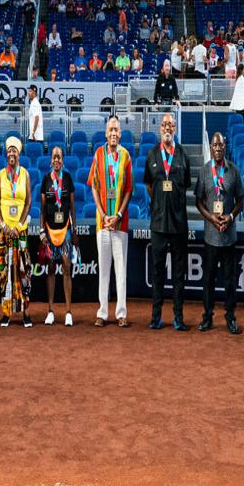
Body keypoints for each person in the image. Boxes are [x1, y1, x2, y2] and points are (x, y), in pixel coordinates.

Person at [144, 112, 191, 331]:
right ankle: (155, 317)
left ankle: (178, 318)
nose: (167, 128)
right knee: (158, 272)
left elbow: (187, 184)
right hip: (159, 225)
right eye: (164, 124)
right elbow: (149, 185)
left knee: (179, 274)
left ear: (176, 128)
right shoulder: (152, 155)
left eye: (171, 125)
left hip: (179, 224)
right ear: (159, 128)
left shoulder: (183, 155)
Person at [194, 131, 244, 334]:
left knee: (230, 281)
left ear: (225, 147)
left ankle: (230, 317)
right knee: (208, 280)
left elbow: (240, 200)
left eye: (220, 145)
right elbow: (198, 200)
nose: (217, 148)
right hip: (210, 236)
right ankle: (207, 317)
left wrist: (230, 217)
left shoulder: (234, 171)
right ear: (211, 148)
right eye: (214, 145)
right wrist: (211, 218)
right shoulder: (205, 171)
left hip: (229, 236)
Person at [89, 115, 134, 327]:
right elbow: (94, 187)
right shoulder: (98, 154)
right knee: (104, 268)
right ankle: (102, 312)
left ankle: (121, 313)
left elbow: (128, 190)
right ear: (106, 133)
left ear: (120, 134)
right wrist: (103, 214)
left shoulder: (126, 156)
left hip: (120, 223)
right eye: (111, 130)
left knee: (121, 270)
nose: (114, 133)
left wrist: (117, 215)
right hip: (102, 223)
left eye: (117, 130)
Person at [0, 136, 33, 328]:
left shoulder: (25, 174)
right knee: (5, 272)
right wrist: (4, 224)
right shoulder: (1, 175)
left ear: (19, 154)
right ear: (6, 154)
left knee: (23, 272)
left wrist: (18, 226)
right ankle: (6, 313)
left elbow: (28, 202)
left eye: (14, 151)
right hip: (4, 232)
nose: (11, 154)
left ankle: (25, 312)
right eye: (9, 151)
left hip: (20, 232)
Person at [39, 144, 76, 326]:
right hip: (50, 230)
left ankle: (68, 311)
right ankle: (51, 311)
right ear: (50, 160)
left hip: (66, 230)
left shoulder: (67, 179)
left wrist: (75, 231)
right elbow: (42, 209)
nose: (56, 160)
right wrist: (41, 231)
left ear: (63, 160)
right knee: (51, 267)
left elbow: (72, 207)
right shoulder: (46, 179)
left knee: (67, 266)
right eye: (54, 157)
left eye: (59, 157)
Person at [27, 85, 45, 149]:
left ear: (34, 93)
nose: (28, 93)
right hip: (35, 137)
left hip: (35, 137)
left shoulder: (35, 103)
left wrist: (32, 133)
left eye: (30, 91)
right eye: (28, 91)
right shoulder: (34, 103)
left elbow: (37, 118)